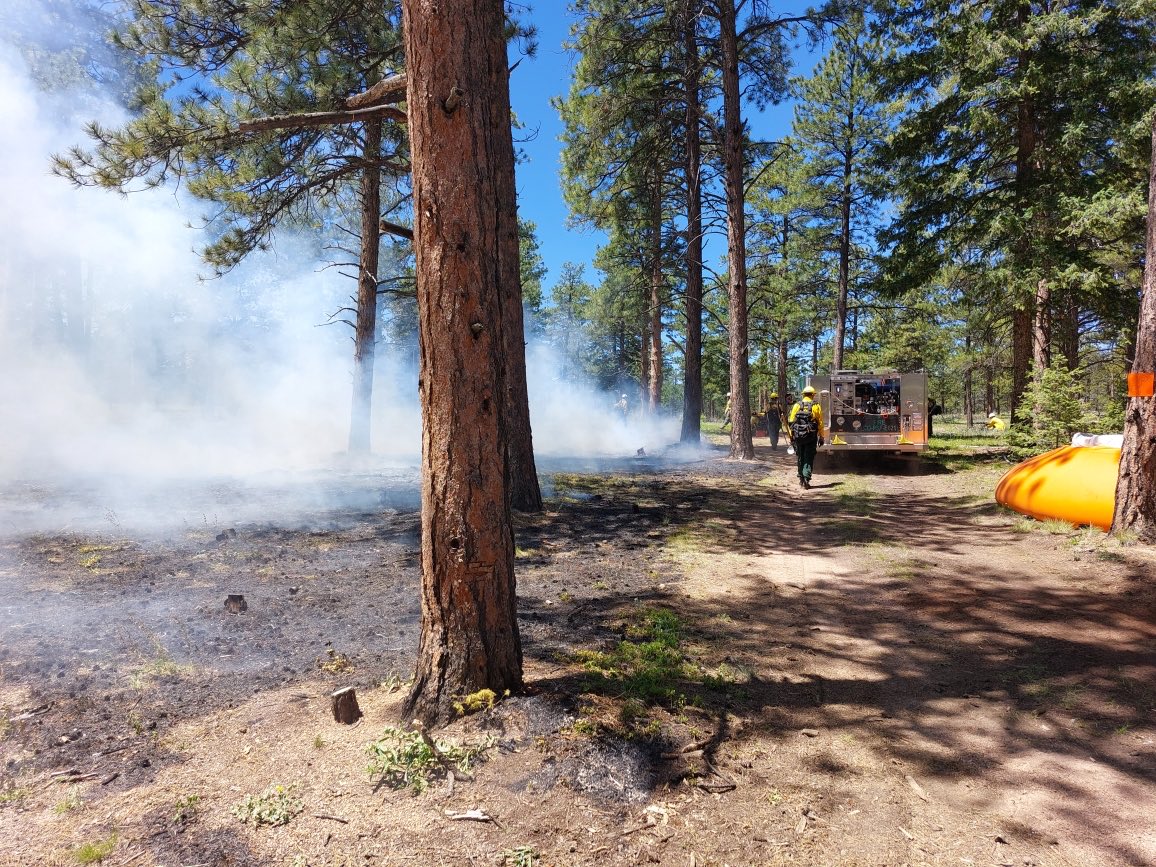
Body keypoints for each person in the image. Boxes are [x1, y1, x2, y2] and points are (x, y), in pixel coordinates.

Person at [788, 385, 825, 488]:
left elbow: (791, 423)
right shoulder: (816, 406)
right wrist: (821, 437)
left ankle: (800, 478)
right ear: (813, 395)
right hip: (811, 436)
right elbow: (820, 423)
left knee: (800, 456)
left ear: (803, 394)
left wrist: (792, 437)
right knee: (808, 456)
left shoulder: (796, 405)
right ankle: (806, 478)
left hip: (798, 437)